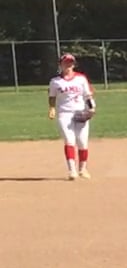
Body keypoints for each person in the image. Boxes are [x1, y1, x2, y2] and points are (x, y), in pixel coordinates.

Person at [47, 53, 95, 181]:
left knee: (82, 142)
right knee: (69, 140)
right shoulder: (55, 81)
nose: (68, 65)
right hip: (64, 113)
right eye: (65, 62)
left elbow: (88, 95)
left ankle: (83, 169)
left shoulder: (81, 78)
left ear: (74, 64)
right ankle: (72, 170)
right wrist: (52, 108)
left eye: (70, 62)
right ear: (60, 65)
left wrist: (91, 108)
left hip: (80, 112)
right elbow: (52, 96)